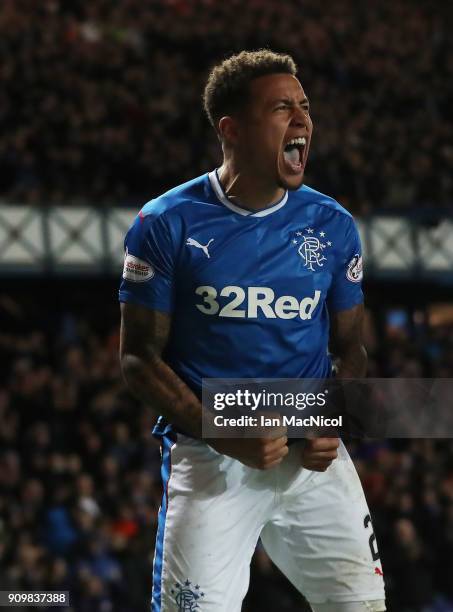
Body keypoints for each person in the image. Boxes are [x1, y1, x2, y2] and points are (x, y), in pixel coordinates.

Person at [119, 50, 386, 612]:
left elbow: (350, 349)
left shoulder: (333, 226)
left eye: (305, 107)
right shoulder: (165, 224)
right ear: (231, 129)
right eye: (282, 107)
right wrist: (221, 427)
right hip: (212, 453)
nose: (302, 119)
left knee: (361, 605)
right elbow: (139, 359)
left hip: (312, 459)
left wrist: (333, 413)